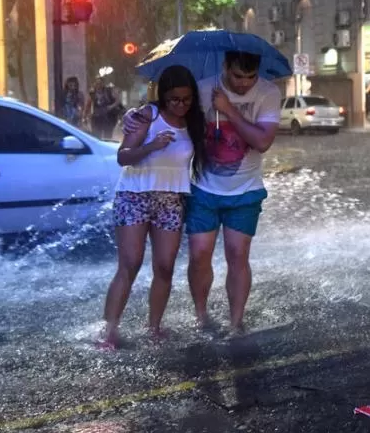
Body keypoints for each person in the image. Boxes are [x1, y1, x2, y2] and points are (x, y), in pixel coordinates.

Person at [124, 51, 280, 333]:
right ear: (225, 67)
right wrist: (135, 114)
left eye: (250, 77)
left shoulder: (268, 93)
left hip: (245, 190)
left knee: (237, 254)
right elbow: (168, 109)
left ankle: (236, 322)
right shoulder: (203, 88)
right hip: (202, 187)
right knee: (199, 255)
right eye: (236, 76)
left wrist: (229, 109)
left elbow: (263, 141)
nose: (244, 83)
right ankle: (201, 315)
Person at [100, 65, 207, 349]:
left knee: (165, 266)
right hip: (135, 195)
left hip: (171, 200)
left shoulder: (195, 122)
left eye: (186, 99)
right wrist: (153, 145)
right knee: (130, 264)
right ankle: (109, 332)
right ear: (163, 96)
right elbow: (124, 157)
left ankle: (154, 327)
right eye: (174, 99)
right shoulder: (149, 114)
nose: (180, 105)